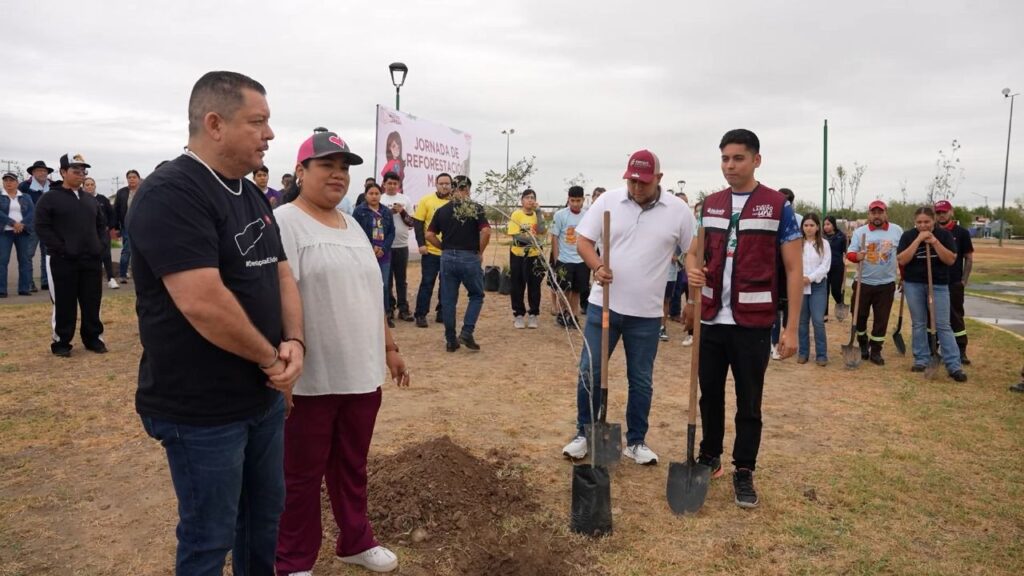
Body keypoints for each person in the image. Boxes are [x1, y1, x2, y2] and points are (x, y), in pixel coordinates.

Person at [130, 70, 304, 575]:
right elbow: (202, 302)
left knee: (262, 520)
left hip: (261, 399)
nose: (270, 134)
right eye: (259, 121)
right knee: (209, 537)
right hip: (202, 410)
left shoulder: (249, 194)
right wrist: (273, 359)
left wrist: (293, 341)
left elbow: (282, 274)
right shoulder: (172, 192)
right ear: (215, 123)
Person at [274, 128, 406, 575]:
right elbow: (276, 296)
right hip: (313, 378)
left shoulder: (352, 224)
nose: (337, 174)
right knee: (301, 476)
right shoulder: (284, 222)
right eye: (326, 165)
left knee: (352, 466)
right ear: (301, 171)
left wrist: (390, 348)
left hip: (362, 373)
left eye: (344, 167)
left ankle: (355, 540)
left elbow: (372, 294)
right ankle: (293, 561)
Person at [686, 129, 803, 508]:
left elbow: (794, 270)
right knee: (710, 396)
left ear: (756, 160)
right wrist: (692, 270)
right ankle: (709, 455)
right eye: (724, 159)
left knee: (749, 401)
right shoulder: (711, 205)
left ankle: (744, 469)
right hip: (711, 321)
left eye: (738, 158)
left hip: (753, 323)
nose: (730, 166)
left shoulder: (778, 206)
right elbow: (693, 253)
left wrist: (791, 328)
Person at [561, 150, 695, 466]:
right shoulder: (608, 201)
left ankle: (636, 441)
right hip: (603, 307)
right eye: (632, 180)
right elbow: (583, 241)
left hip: (647, 315)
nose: (636, 187)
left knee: (641, 379)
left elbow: (692, 251)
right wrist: (597, 265)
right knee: (590, 371)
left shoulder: (678, 211)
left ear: (658, 179)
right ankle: (584, 432)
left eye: (643, 182)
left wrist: (691, 297)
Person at [34, 153, 107, 356]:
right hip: (62, 260)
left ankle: (93, 339)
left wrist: (100, 246)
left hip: (90, 260)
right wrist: (61, 248)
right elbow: (42, 227)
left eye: (84, 171)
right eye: (76, 171)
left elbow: (101, 226)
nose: (81, 175)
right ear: (63, 172)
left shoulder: (89, 200)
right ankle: (61, 342)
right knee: (64, 303)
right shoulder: (49, 198)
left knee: (92, 301)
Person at [896, 206, 966, 382]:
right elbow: (902, 259)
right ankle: (921, 359)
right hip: (914, 284)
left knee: (943, 324)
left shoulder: (944, 235)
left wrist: (934, 242)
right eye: (919, 222)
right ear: (915, 222)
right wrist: (918, 240)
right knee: (918, 323)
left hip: (938, 284)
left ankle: (954, 365)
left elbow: (950, 259)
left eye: (926, 222)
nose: (923, 225)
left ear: (933, 220)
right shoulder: (908, 236)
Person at [426, 175, 490, 352]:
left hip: (447, 258)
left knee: (448, 300)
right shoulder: (475, 208)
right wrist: (480, 251)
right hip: (469, 257)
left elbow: (429, 235)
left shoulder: (443, 210)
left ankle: (450, 340)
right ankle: (467, 332)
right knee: (476, 295)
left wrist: (444, 248)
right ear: (468, 189)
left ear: (453, 189)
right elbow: (486, 231)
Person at [847, 200, 904, 366]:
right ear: (869, 214)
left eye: (880, 212)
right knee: (859, 316)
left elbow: (901, 255)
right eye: (874, 212)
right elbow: (850, 253)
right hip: (863, 282)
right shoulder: (860, 232)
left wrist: (904, 276)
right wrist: (856, 256)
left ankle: (876, 350)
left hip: (886, 284)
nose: (877, 215)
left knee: (881, 319)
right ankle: (863, 342)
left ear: (886, 213)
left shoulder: (896, 230)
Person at [934, 200, 974, 365]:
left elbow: (968, 258)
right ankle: (933, 349)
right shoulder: (930, 231)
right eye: (938, 212)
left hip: (953, 283)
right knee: (933, 317)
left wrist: (963, 280)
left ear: (951, 212)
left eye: (944, 211)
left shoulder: (962, 232)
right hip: (934, 282)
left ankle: (961, 351)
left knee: (956, 316)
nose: (941, 215)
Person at [413, 172, 452, 327]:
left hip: (449, 253)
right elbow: (418, 223)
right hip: (430, 251)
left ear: (451, 185)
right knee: (427, 283)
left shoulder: (456, 202)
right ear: (436, 184)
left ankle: (442, 312)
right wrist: (421, 244)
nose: (444, 186)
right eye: (441, 183)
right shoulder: (426, 201)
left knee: (447, 284)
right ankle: (421, 314)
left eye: (447, 183)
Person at [353, 183, 395, 316]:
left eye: (377, 193)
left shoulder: (386, 211)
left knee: (383, 285)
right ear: (366, 195)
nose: (374, 196)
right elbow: (356, 232)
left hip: (384, 254)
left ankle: (385, 315)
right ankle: (367, 315)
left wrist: (384, 248)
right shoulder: (359, 211)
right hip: (366, 254)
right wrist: (370, 247)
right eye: (371, 193)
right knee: (365, 284)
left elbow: (392, 232)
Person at [549, 185, 589, 326]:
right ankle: (562, 313)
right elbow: (554, 237)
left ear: (583, 200)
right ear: (568, 200)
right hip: (564, 259)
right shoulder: (560, 215)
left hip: (581, 259)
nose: (576, 204)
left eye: (578, 200)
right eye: (573, 200)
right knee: (564, 289)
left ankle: (573, 314)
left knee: (577, 290)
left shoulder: (587, 215)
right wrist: (556, 258)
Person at [380, 171, 414, 322]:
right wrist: (389, 211)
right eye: (389, 183)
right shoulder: (379, 199)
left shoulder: (405, 199)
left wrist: (402, 211)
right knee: (386, 280)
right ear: (384, 184)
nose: (392, 186)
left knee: (401, 279)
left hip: (401, 245)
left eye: (395, 183)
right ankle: (388, 309)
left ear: (399, 185)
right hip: (385, 246)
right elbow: (377, 220)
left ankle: (403, 309)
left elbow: (411, 222)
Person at [508, 188, 545, 329]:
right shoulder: (516, 214)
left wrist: (539, 212)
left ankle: (533, 314)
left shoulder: (537, 214)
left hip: (535, 255)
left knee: (535, 285)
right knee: (517, 285)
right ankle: (518, 314)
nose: (530, 200)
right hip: (518, 255)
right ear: (522, 200)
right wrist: (533, 240)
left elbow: (541, 230)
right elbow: (516, 235)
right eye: (527, 197)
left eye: (533, 197)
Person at [769, 187, 799, 359]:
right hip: (774, 270)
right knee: (774, 312)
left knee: (787, 309)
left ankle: (787, 337)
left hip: (788, 272)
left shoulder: (796, 220)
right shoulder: (768, 218)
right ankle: (773, 344)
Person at [797, 213, 831, 365]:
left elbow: (825, 266)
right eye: (806, 225)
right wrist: (800, 278)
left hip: (817, 286)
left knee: (818, 320)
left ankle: (821, 354)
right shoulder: (797, 243)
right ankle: (803, 352)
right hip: (800, 285)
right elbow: (793, 263)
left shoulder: (824, 244)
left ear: (817, 227)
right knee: (802, 321)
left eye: (812, 225)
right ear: (802, 227)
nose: (809, 228)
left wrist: (809, 278)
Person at [19, 160, 53, 292]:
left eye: (44, 171)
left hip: (49, 225)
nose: (42, 173)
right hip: (31, 225)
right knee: (28, 254)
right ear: (33, 172)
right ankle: (28, 282)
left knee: (48, 254)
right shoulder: (24, 186)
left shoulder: (52, 186)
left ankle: (46, 281)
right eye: (39, 170)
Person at [1, 172, 35, 297]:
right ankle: (2, 290)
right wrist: (12, 223)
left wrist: (21, 225)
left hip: (23, 231)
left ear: (17, 183)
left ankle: (24, 289)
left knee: (24, 260)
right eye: (6, 181)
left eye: (11, 180)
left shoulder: (25, 196)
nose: (8, 183)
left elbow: (32, 212)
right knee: (2, 261)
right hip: (4, 232)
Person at [83, 177, 119, 289]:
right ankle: (90, 280)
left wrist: (110, 226)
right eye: (87, 185)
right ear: (83, 187)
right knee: (89, 256)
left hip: (103, 233)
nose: (89, 186)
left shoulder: (103, 199)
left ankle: (111, 279)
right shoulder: (80, 199)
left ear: (95, 186)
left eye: (91, 184)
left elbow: (112, 214)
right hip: (87, 234)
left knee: (106, 255)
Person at [113, 169, 141, 283]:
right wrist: (116, 226)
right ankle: (123, 274)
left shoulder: (144, 190)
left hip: (142, 225)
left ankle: (141, 274)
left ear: (138, 179)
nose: (132, 179)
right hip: (127, 226)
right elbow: (116, 210)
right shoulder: (121, 192)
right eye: (129, 177)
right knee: (127, 250)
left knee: (142, 251)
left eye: (134, 177)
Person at [823, 215, 847, 320]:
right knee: (825, 291)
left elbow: (846, 251)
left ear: (833, 225)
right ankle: (824, 314)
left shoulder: (841, 236)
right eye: (824, 225)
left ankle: (840, 303)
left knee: (835, 291)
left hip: (837, 267)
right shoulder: (822, 237)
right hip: (824, 268)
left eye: (828, 224)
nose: (826, 227)